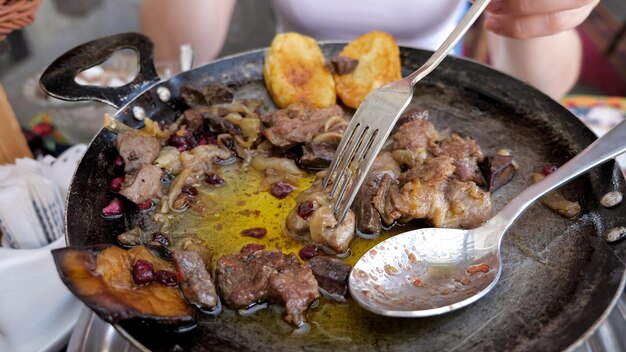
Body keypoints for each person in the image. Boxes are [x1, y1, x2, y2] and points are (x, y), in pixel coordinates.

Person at [140, 0, 598, 100]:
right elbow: (176, 59)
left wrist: (541, 12)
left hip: (438, 92)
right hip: (290, 85)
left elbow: (541, 90)